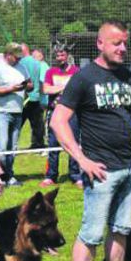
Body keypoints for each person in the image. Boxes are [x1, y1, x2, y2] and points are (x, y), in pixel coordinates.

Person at [51, 20, 131, 261]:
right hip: (100, 172)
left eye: (125, 43)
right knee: (91, 233)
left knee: (121, 228)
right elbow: (58, 121)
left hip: (128, 169)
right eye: (116, 43)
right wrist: (81, 159)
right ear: (100, 44)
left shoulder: (127, 77)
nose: (122, 49)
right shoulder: (84, 78)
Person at [0, 42, 29, 186]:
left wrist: (26, 85)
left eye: (19, 57)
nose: (18, 59)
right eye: (16, 57)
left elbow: (30, 85)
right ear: (7, 55)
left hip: (18, 111)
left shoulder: (22, 67)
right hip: (1, 112)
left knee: (13, 147)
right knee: (2, 147)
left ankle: (9, 175)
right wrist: (11, 89)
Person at [40, 44, 83, 188]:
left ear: (68, 55)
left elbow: (79, 90)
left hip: (72, 113)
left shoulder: (76, 71)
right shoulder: (50, 72)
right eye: (57, 55)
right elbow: (46, 89)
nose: (60, 58)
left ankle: (75, 175)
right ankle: (51, 175)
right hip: (54, 112)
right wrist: (65, 88)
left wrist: (57, 89)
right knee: (53, 144)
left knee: (73, 143)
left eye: (62, 55)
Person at [17, 46, 49, 150]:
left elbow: (42, 82)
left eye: (36, 54)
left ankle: (12, 143)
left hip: (25, 97)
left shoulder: (20, 63)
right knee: (37, 123)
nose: (34, 56)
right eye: (33, 54)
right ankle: (38, 144)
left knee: (19, 122)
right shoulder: (37, 64)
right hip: (35, 97)